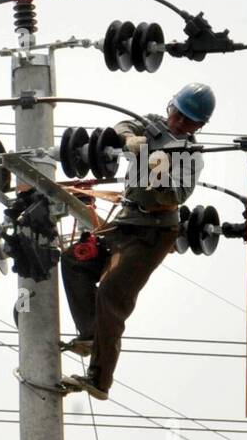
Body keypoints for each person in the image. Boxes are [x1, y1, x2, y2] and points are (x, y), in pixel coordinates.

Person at [60, 82, 215, 400]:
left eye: (188, 121)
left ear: (198, 126)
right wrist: (131, 140)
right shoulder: (153, 126)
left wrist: (157, 166)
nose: (179, 123)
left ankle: (99, 380)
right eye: (178, 114)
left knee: (113, 295)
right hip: (126, 223)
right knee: (76, 259)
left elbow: (175, 196)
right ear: (171, 107)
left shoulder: (191, 159)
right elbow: (122, 125)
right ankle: (90, 334)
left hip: (153, 235)